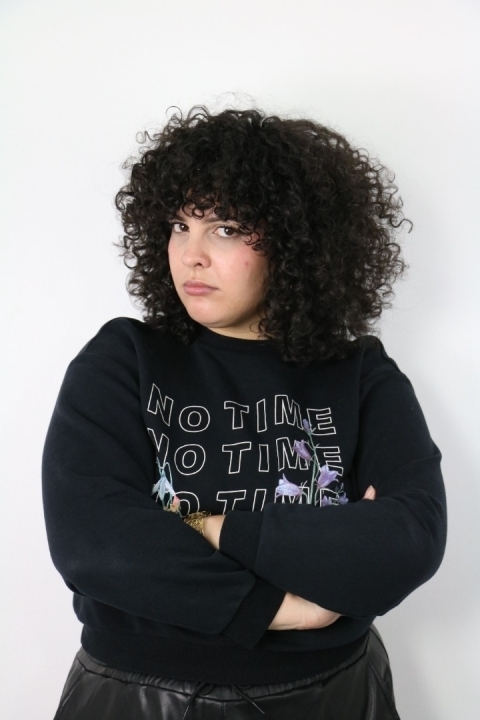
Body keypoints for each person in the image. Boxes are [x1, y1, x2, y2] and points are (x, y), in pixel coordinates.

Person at [42, 105, 447, 720]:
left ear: (295, 242)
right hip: (139, 697)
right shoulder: (124, 358)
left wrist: (207, 527)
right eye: (180, 225)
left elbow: (408, 541)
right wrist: (282, 607)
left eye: (226, 228)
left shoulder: (359, 372)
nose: (191, 255)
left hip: (330, 695)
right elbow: (96, 544)